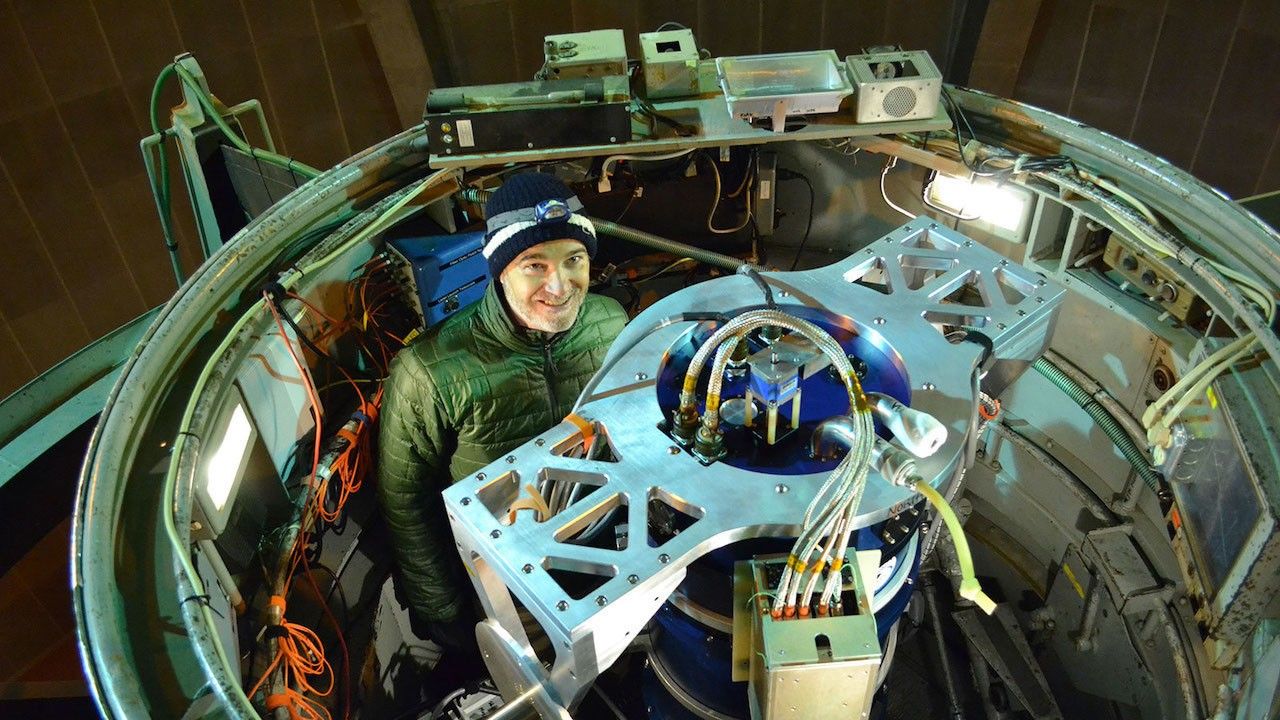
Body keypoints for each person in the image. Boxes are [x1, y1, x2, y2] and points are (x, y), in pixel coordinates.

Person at [377, 172, 627, 662]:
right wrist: (448, 613)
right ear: (500, 270)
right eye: (535, 264)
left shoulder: (610, 322)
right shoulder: (429, 372)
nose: (559, 285)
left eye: (574, 260)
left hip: (612, 554)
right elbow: (408, 505)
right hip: (513, 586)